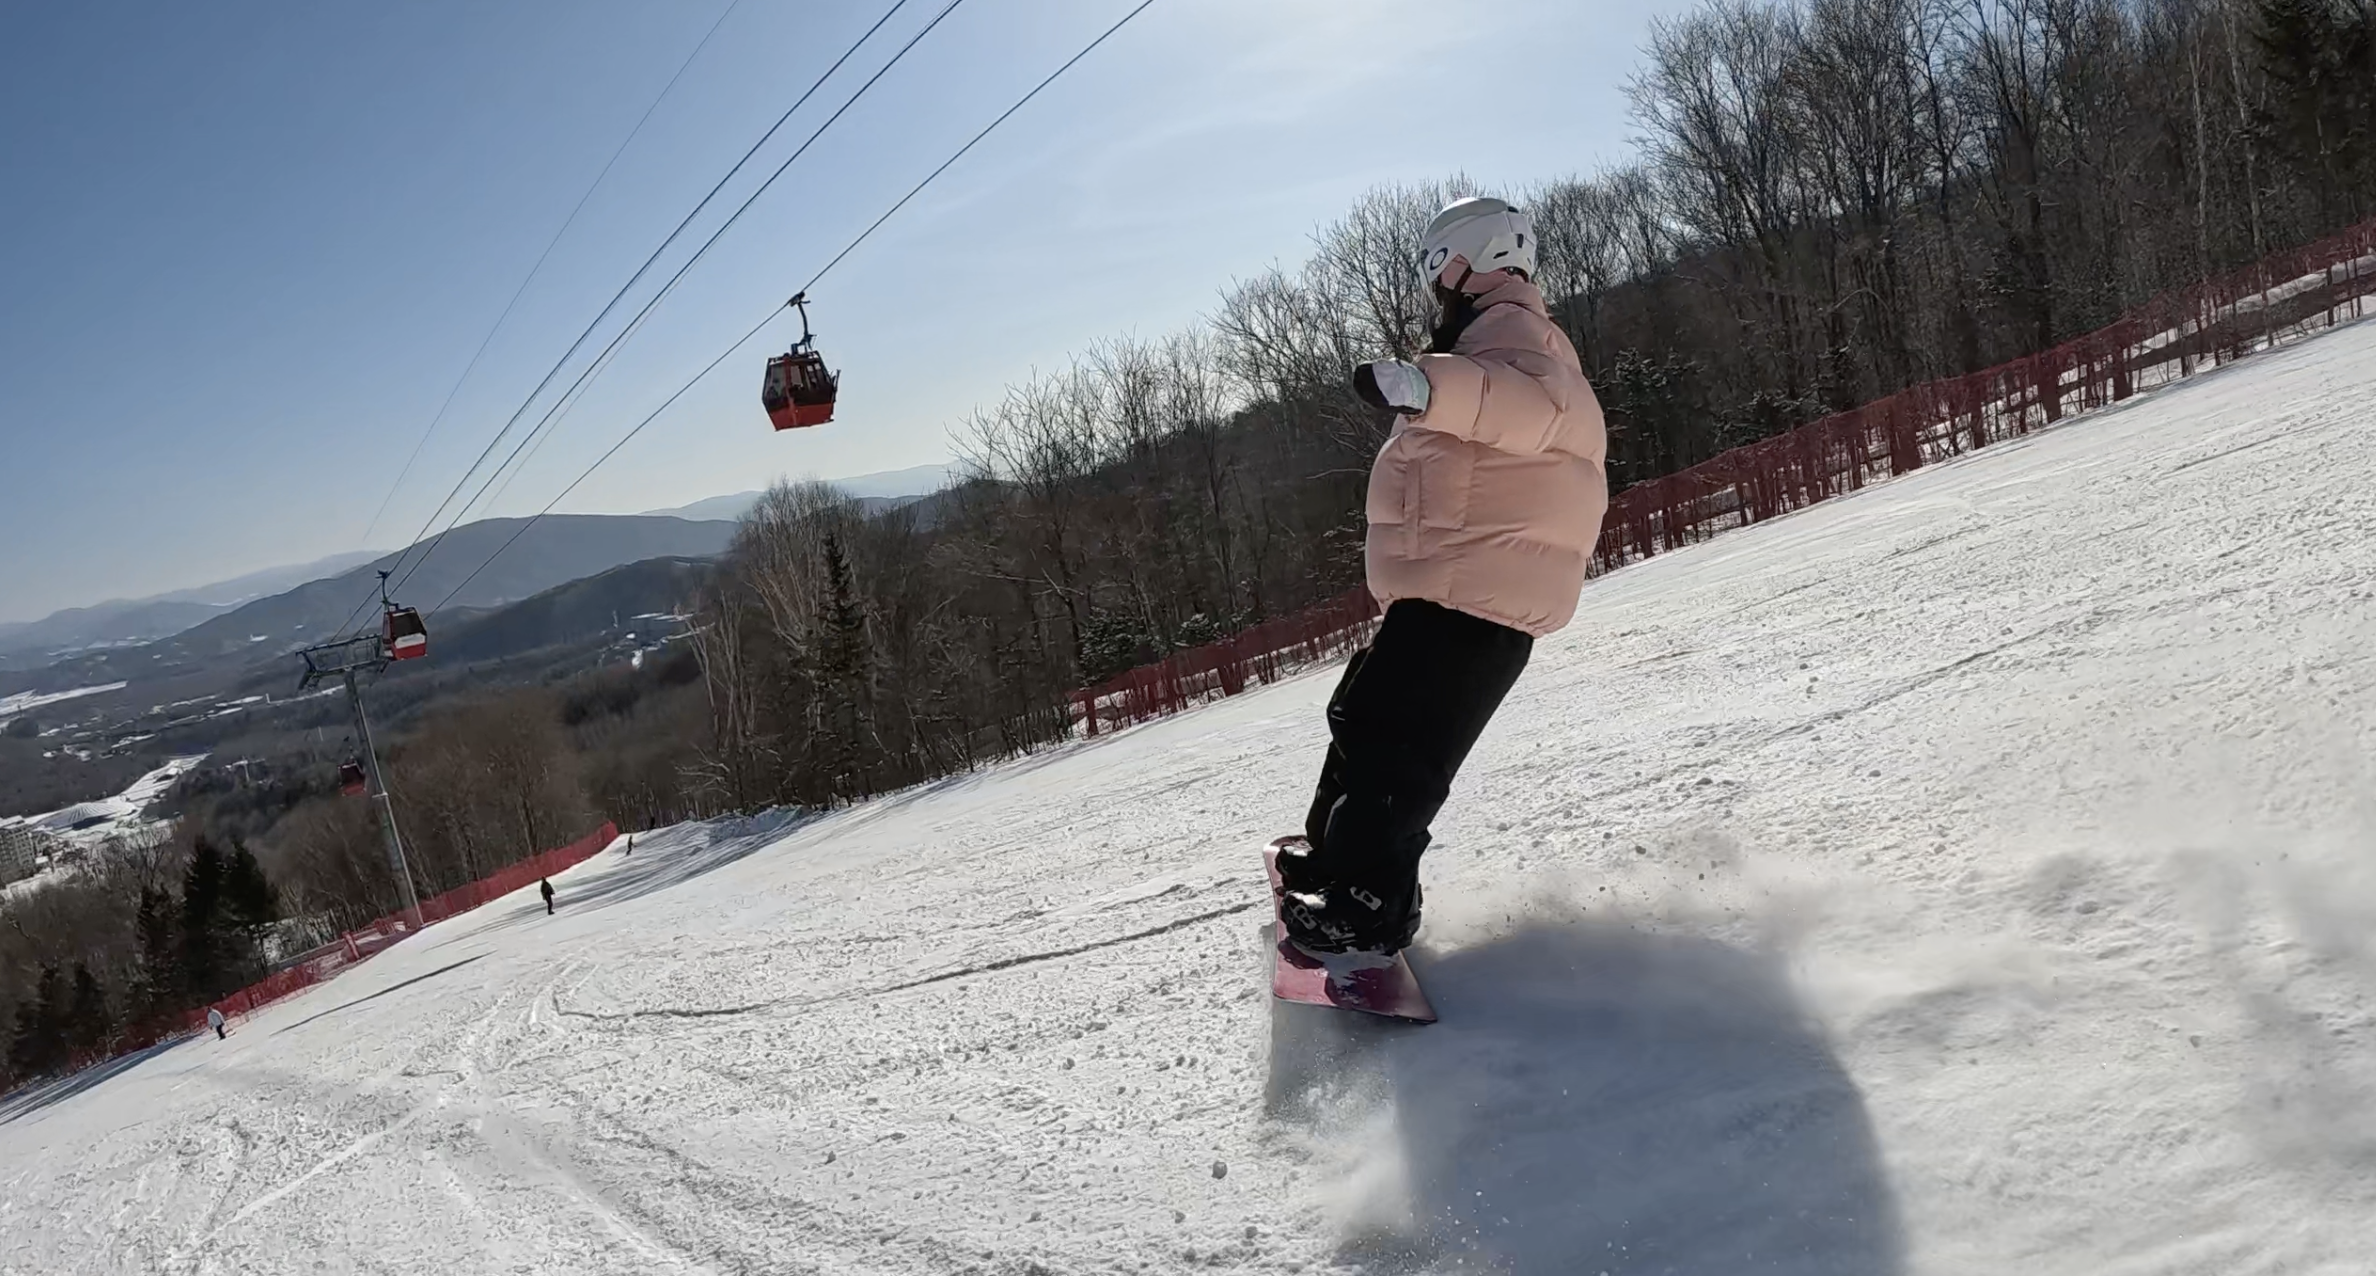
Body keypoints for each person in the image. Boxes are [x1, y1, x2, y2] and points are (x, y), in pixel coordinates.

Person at [1276, 196, 1609, 962]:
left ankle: (1369, 908)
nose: (1433, 283)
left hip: (1481, 594)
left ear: (1472, 258)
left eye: (1436, 265)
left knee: (1401, 751)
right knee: (1362, 716)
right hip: (1454, 587)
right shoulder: (1490, 340)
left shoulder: (1521, 339)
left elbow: (1536, 414)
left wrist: (1430, 388)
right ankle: (1338, 862)